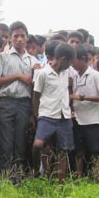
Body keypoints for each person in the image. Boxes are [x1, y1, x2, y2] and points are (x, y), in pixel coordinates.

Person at [0, 21, 37, 178]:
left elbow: (35, 89)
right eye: (15, 36)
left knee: (20, 141)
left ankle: (17, 177)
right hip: (7, 102)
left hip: (24, 104)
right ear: (10, 39)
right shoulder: (3, 58)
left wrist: (32, 113)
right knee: (5, 142)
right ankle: (5, 177)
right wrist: (17, 76)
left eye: (22, 36)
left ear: (27, 38)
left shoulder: (33, 61)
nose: (19, 39)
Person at [29, 43, 75, 181]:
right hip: (47, 114)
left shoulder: (67, 73)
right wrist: (36, 114)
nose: (71, 64)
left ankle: (60, 180)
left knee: (63, 150)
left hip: (64, 115)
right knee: (38, 145)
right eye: (70, 61)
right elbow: (36, 95)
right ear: (63, 59)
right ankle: (37, 171)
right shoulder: (43, 74)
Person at [69, 45, 99, 179]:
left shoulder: (95, 75)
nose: (72, 64)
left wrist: (82, 97)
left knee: (94, 152)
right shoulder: (74, 75)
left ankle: (95, 178)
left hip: (92, 120)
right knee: (78, 152)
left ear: (83, 59)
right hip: (77, 119)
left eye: (74, 60)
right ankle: (79, 178)